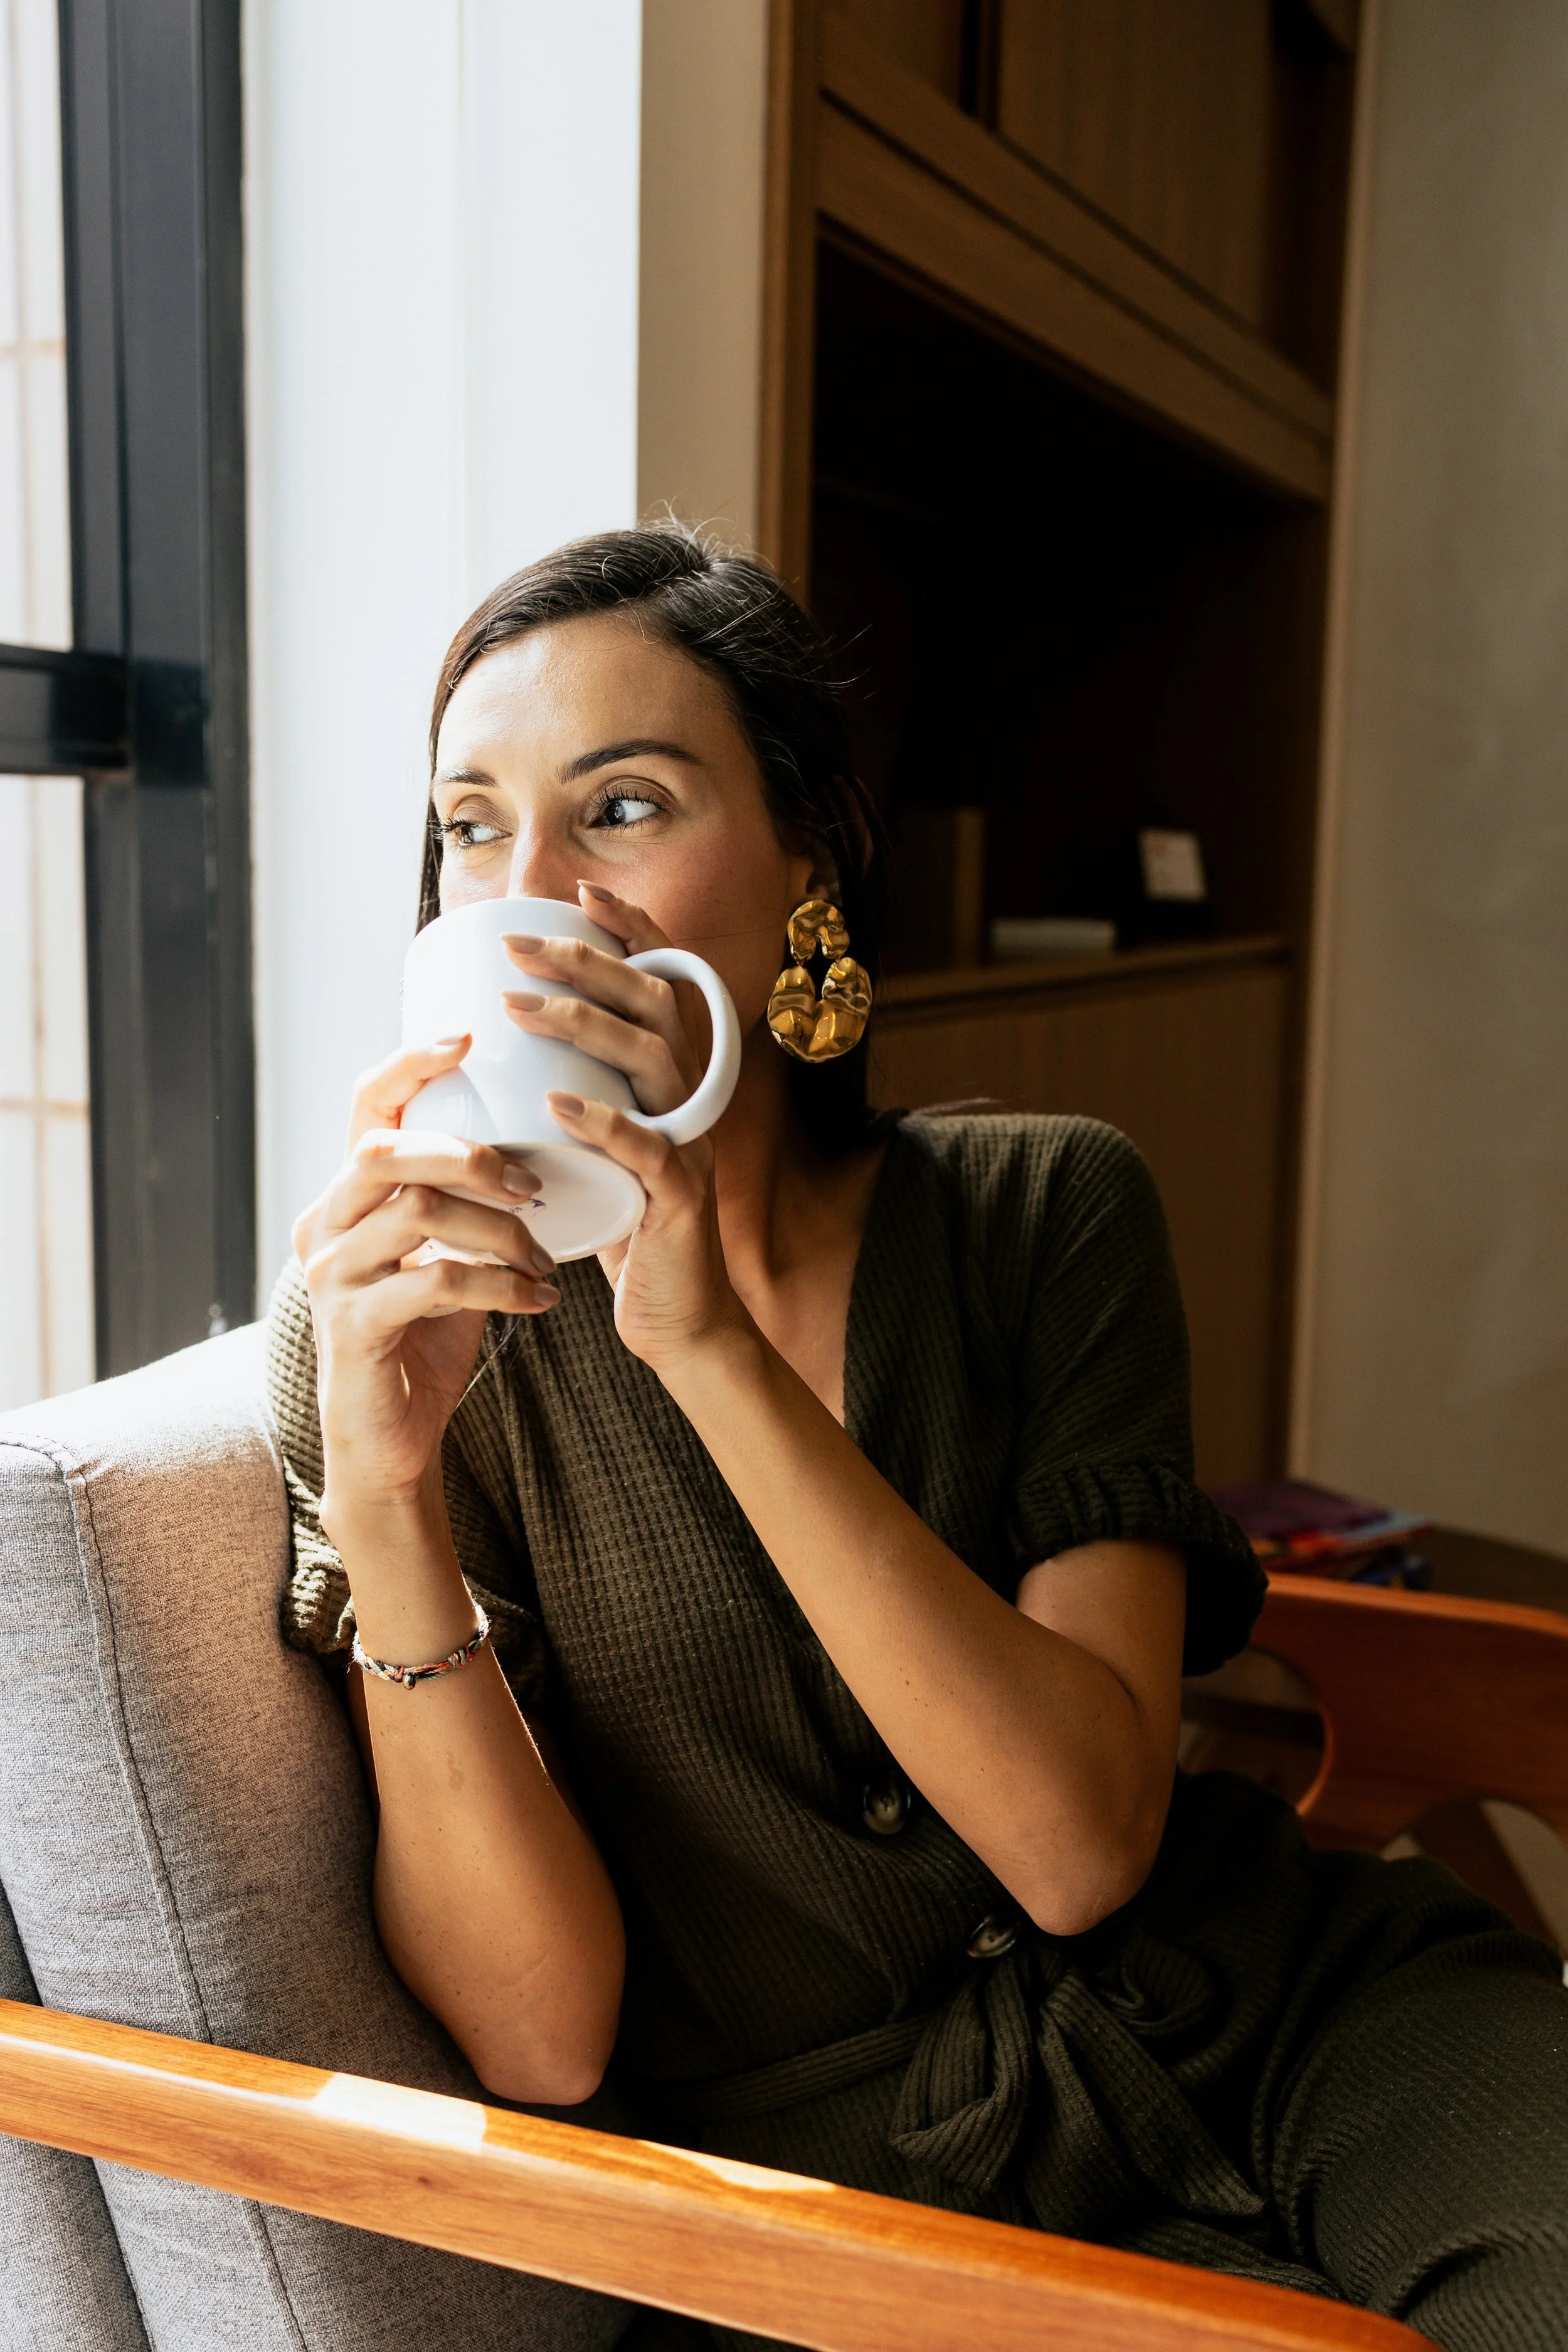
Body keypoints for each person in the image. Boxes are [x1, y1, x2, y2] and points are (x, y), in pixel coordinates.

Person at [270, 525, 1568, 2352]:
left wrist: (707, 1342)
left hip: (1286, 2021)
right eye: (474, 828)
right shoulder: (383, 1346)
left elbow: (1075, 1846)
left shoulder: (1045, 1213)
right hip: (829, 2211)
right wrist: (389, 1494)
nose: (533, 890)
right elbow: (542, 2038)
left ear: (809, 862)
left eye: (622, 807)